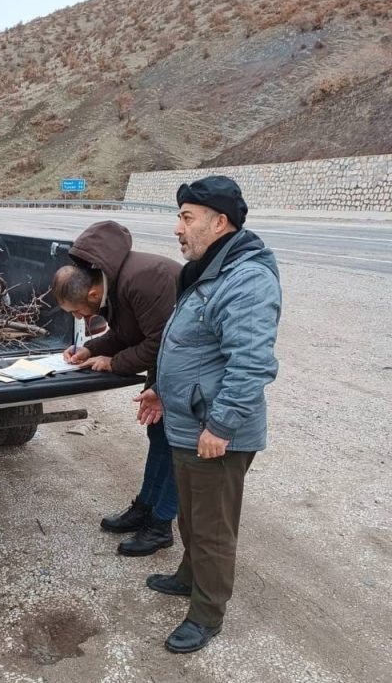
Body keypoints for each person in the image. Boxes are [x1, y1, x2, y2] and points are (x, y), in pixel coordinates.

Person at [135, 175, 281, 654]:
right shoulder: (203, 269)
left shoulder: (246, 278)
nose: (178, 228)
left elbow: (252, 362)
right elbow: (187, 343)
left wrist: (221, 425)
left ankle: (207, 614)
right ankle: (187, 575)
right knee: (192, 517)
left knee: (213, 529)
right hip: (186, 424)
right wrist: (158, 387)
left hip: (215, 431)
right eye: (179, 216)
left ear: (220, 222)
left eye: (186, 217)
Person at [51, 221, 182, 556]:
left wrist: (114, 363)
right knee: (159, 436)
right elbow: (126, 333)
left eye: (78, 311)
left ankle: (160, 525)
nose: (80, 318)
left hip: (188, 369)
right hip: (168, 366)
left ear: (92, 294)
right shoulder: (114, 282)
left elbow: (161, 343)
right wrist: (92, 349)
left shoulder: (144, 279)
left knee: (179, 446)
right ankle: (145, 507)